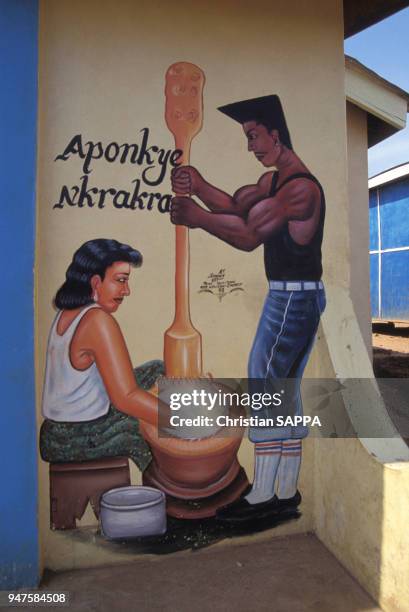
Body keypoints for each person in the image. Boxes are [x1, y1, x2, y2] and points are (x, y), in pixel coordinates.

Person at [170, 95, 326, 522]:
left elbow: (249, 233)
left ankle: (262, 497)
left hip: (292, 297)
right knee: (283, 393)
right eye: (247, 138)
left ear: (276, 135)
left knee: (263, 385)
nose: (251, 146)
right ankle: (286, 490)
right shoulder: (273, 183)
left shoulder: (300, 190)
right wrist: (199, 187)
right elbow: (238, 206)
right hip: (295, 294)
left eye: (254, 136)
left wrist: (196, 217)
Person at [40, 238, 167, 472]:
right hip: (73, 436)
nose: (126, 290)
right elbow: (126, 397)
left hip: (61, 427)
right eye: (120, 281)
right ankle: (166, 498)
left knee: (158, 369)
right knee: (142, 431)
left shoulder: (71, 310)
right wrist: (184, 421)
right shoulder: (97, 321)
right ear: (96, 282)